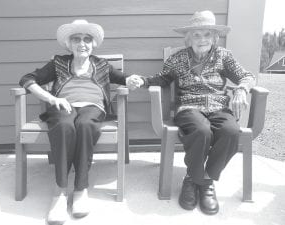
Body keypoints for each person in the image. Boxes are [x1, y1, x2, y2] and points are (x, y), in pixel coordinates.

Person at [132, 10, 256, 215]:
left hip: (219, 106)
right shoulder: (178, 58)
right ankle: (194, 179)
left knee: (231, 132)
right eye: (196, 35)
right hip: (189, 106)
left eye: (207, 34)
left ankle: (204, 179)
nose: (202, 39)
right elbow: (162, 79)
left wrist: (242, 89)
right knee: (201, 131)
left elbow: (247, 76)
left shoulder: (224, 55)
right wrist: (143, 81)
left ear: (215, 37)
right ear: (188, 38)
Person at [19, 19, 138, 224]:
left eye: (87, 39)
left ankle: (81, 188)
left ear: (93, 44)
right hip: (63, 105)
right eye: (76, 39)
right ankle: (60, 193)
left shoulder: (101, 64)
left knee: (85, 125)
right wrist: (52, 99)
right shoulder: (58, 63)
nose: (82, 43)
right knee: (65, 126)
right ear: (69, 44)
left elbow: (124, 78)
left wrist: (132, 80)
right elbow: (27, 79)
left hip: (93, 107)